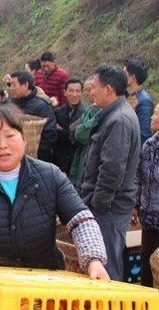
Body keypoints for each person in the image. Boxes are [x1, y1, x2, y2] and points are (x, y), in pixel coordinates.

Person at [0, 105, 109, 284]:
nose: (2, 145)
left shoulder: (51, 175)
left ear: (24, 139)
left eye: (10, 136)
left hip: (44, 279)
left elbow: (81, 220)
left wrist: (93, 259)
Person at [79, 64, 141, 281]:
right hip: (105, 205)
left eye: (94, 87)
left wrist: (98, 204)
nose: (91, 92)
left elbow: (112, 168)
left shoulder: (119, 120)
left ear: (109, 89)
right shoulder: (113, 114)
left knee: (106, 266)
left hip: (109, 208)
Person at [132, 103, 159, 287]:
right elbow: (137, 176)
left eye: (156, 114)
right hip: (149, 218)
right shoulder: (149, 145)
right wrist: (135, 204)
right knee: (147, 262)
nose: (151, 117)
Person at [9, 70, 57, 162]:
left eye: (14, 85)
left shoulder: (42, 105)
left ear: (26, 85)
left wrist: (38, 156)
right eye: (10, 85)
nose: (11, 88)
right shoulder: (11, 104)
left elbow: (49, 134)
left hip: (35, 158)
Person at [68, 76, 101, 187]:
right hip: (80, 159)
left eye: (92, 88)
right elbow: (73, 133)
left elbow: (81, 134)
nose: (89, 93)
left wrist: (79, 128)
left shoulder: (102, 110)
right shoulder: (89, 109)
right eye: (87, 90)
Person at [52, 77, 86, 175]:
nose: (74, 95)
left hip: (77, 163)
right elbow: (54, 135)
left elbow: (80, 139)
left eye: (77, 91)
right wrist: (72, 133)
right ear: (65, 92)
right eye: (71, 91)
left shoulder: (86, 114)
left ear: (81, 93)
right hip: (59, 161)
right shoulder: (57, 112)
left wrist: (63, 132)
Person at [124, 59, 154, 145]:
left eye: (124, 73)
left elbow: (144, 135)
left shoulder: (144, 101)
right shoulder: (126, 96)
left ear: (132, 78)